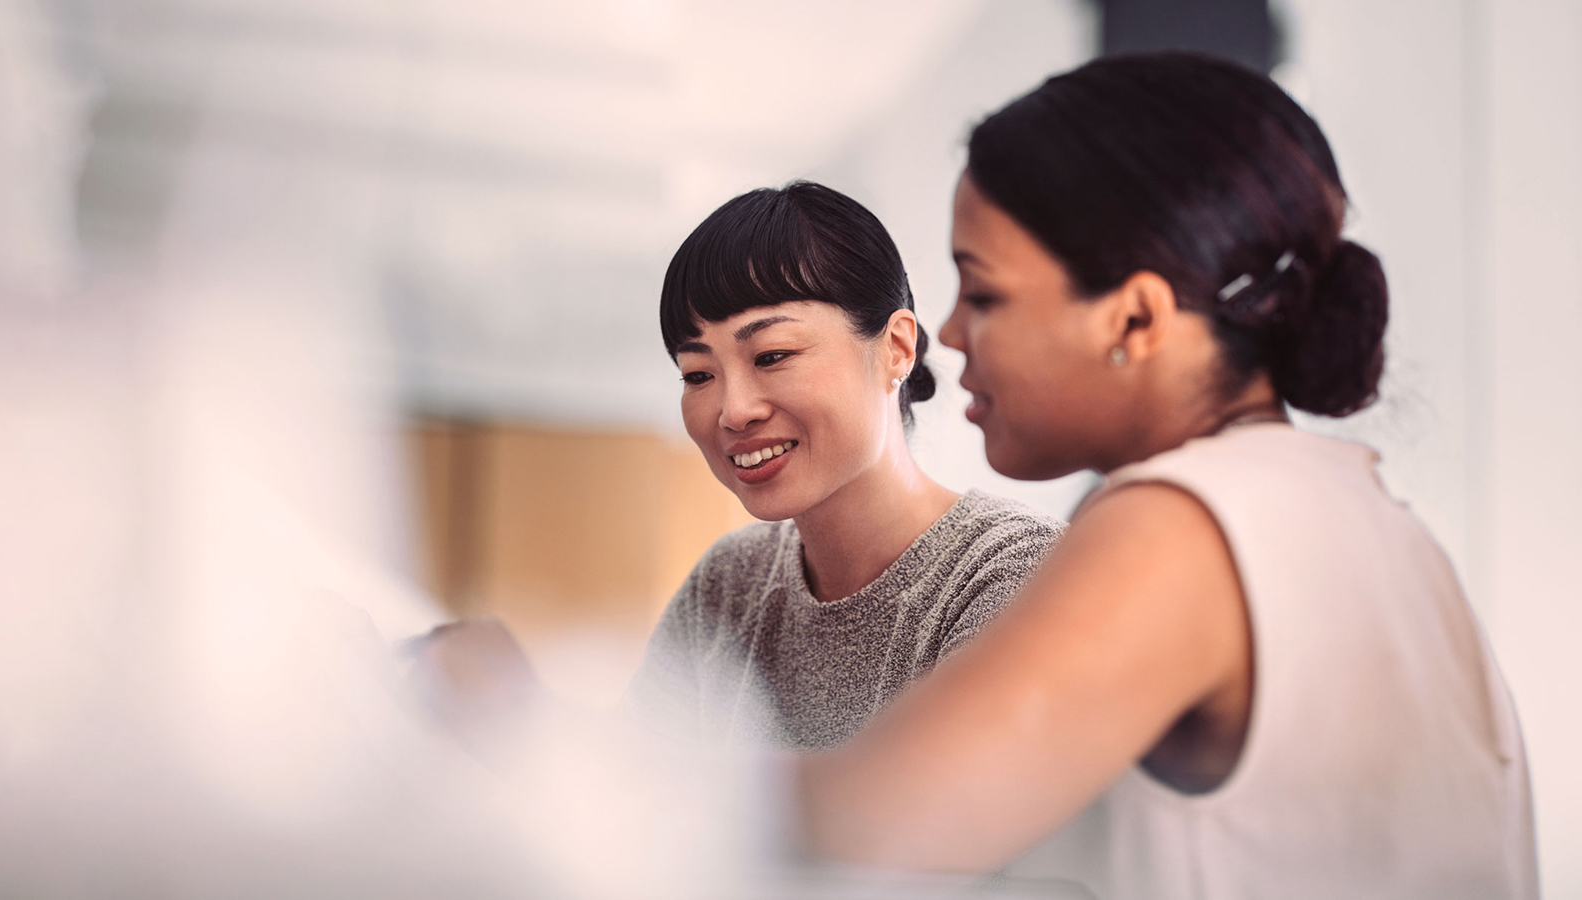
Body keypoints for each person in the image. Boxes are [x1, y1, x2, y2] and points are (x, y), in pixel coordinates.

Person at [797, 53, 1537, 900]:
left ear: (1137, 317)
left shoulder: (1182, 524)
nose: (952, 333)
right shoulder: (1360, 511)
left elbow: (879, 821)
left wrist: (636, 775)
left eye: (985, 294)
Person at [626, 181, 1064, 750]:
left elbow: (946, 826)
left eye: (773, 356)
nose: (734, 412)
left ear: (896, 348)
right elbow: (627, 806)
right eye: (697, 375)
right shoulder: (727, 584)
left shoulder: (1013, 576)